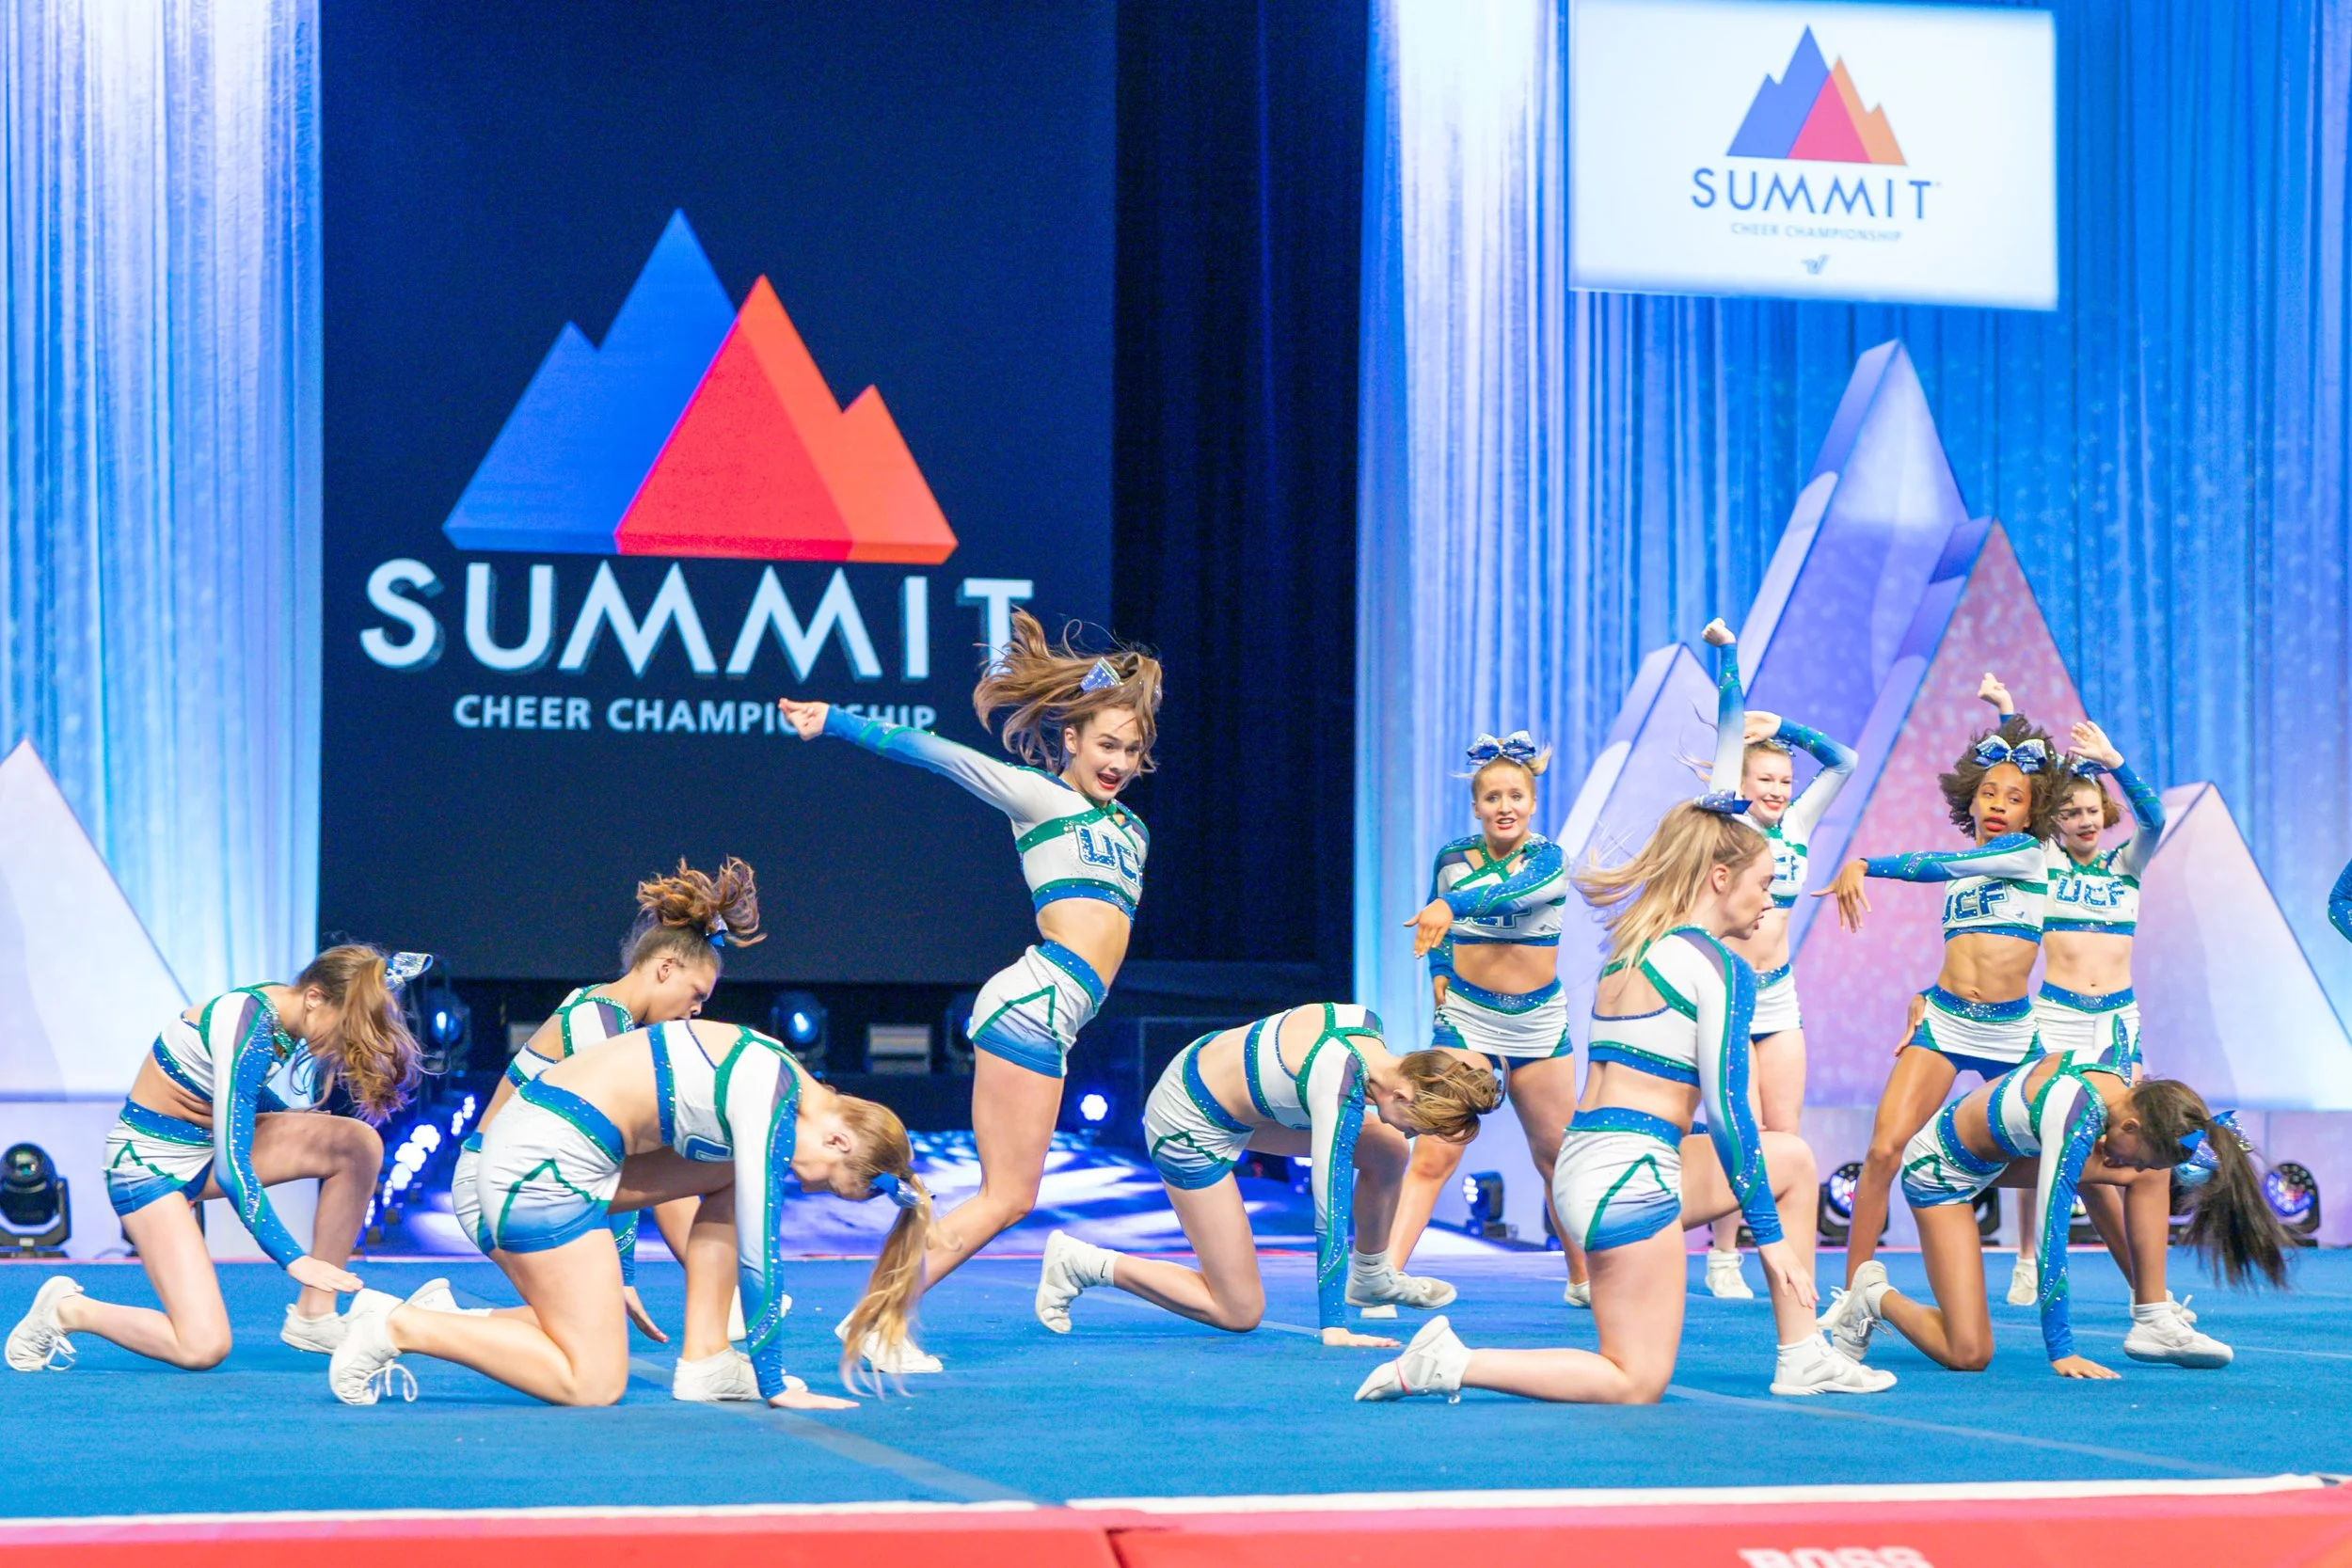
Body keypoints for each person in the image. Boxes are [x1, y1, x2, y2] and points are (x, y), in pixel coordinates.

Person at [1354, 801, 1891, 1406]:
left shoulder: (1634, 947)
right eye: (1764, 883)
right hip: (1630, 1177)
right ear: (1720, 878)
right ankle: (1452, 1362)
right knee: (1634, 1379)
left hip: (1587, 1167)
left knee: (1790, 1159)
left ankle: (1803, 1355)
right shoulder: (1720, 968)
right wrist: (1767, 1237)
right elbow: (1728, 1111)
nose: (1771, 901)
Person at [778, 609, 1159, 1373]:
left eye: (1132, 749)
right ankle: (875, 1322)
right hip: (1033, 1002)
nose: (1118, 761)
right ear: (1071, 739)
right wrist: (836, 721)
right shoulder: (1039, 798)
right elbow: (938, 755)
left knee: (1008, 1195)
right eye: (1106, 745)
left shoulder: (1134, 831)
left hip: (1055, 1016)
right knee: (1006, 1195)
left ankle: (873, 1317)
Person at [327, 1018, 929, 1408]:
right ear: (838, 1141)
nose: (804, 1181)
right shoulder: (767, 1095)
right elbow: (758, 1248)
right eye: (823, 1181)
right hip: (536, 1170)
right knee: (593, 1381)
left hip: (553, 1160)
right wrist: (774, 1383)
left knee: (728, 1174)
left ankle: (706, 1359)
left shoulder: (779, 1074)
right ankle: (401, 1326)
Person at [7, 946, 431, 1375]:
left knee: (356, 1143)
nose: (341, 1043)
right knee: (201, 1347)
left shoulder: (280, 1011)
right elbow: (232, 1167)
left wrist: (294, 1117)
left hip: (202, 1148)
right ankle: (67, 1310)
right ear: (314, 997)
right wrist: (295, 1259)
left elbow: (234, 1090)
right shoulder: (247, 1023)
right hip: (149, 1168)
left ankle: (314, 1317)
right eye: (343, 1029)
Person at [450, 859, 762, 1400]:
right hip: (499, 1186)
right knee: (588, 1354)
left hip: (540, 1180)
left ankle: (430, 1315)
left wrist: (623, 1274)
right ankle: (413, 1324)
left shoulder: (619, 1023)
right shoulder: (597, 1021)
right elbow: (617, 1159)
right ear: (664, 968)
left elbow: (620, 1163)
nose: (695, 1011)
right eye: (696, 995)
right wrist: (622, 1275)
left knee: (588, 1332)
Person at [1810, 680, 2065, 1316]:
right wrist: (1925, 993)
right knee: (1882, 1151)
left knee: (2068, 1156)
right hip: (1947, 1024)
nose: (1999, 804)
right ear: (1970, 800)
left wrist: (1864, 863)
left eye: (2015, 799)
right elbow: (1966, 955)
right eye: (1989, 793)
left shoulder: (2027, 855)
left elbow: (1936, 864)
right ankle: (1853, 1295)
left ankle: (2145, 1299)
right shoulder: (1969, 870)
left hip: (2012, 1034)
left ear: (2031, 815)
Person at [1035, 1006, 1500, 1343]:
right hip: (1187, 1123)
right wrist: (1334, 1326)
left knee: (1389, 1149)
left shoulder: (1368, 1028)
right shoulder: (1335, 1082)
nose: (1416, 1135)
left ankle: (1371, 1277)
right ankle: (1081, 1263)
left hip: (1230, 1098)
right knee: (1238, 1310)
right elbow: (1330, 1209)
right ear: (1402, 1095)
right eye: (1420, 1126)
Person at [1821, 1062, 2286, 1378]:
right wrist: (2061, 1350)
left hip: (2000, 1157)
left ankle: (2152, 1317)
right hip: (1942, 1171)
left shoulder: (2126, 1096)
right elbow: (2050, 1232)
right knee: (1968, 1353)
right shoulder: (2075, 1118)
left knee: (2149, 1176)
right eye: (2139, 1154)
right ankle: (1872, 1296)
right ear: (2130, 1127)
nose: (2132, 1166)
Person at [1694, 618, 1857, 1300]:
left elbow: (1844, 761)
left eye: (1786, 779)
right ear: (1741, 779)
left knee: (1785, 1134)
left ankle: (1784, 1262)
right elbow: (1729, 732)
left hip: (1780, 993)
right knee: (1743, 1127)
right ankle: (1723, 1253)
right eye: (1765, 777)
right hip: (1729, 991)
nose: (1779, 789)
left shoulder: (1797, 825)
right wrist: (1729, 659)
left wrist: (1787, 727)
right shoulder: (1726, 821)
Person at [1383, 731, 1575, 1305]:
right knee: (1434, 1152)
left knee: (1557, 1159)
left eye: (1516, 796)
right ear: (1476, 806)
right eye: (1492, 798)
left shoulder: (1548, 860)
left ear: (1533, 803)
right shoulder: (1452, 858)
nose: (1504, 807)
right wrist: (1439, 971)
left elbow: (1511, 896)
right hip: (1467, 1017)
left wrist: (1450, 905)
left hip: (1539, 1023)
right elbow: (1435, 925)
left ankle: (1585, 1279)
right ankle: (1381, 1278)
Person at [2004, 712, 2163, 1310]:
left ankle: (2145, 1290)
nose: (2085, 820)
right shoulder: (2044, 862)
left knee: (2125, 1147)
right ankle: (2027, 1259)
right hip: (2057, 1021)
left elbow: (2155, 818)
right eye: (2070, 812)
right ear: (2055, 820)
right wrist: (2007, 713)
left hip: (2119, 1024)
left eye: (2092, 810)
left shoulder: (2127, 865)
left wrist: (2114, 762)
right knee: (2049, 1139)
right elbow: (2025, 795)